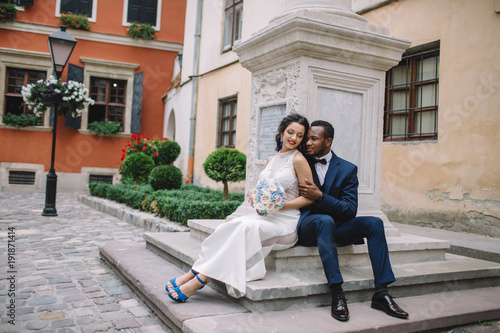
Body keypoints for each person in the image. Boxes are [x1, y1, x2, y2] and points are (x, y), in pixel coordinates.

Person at [166, 114, 314, 301]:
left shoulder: (299, 160)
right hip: (264, 217)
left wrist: (281, 205)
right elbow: (262, 189)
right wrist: (256, 198)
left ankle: (198, 280)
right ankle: (192, 272)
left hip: (286, 223)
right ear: (282, 132)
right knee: (228, 226)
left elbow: (309, 199)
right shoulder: (271, 160)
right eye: (290, 132)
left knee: (246, 227)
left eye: (299, 135)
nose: (294, 138)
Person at [298, 120, 409, 321]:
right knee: (324, 220)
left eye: (313, 138)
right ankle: (337, 294)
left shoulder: (348, 169)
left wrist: (320, 196)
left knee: (374, 223)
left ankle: (382, 293)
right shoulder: (300, 161)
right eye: (307, 138)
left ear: (328, 141)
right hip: (309, 227)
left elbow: (349, 210)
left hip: (336, 227)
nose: (308, 143)